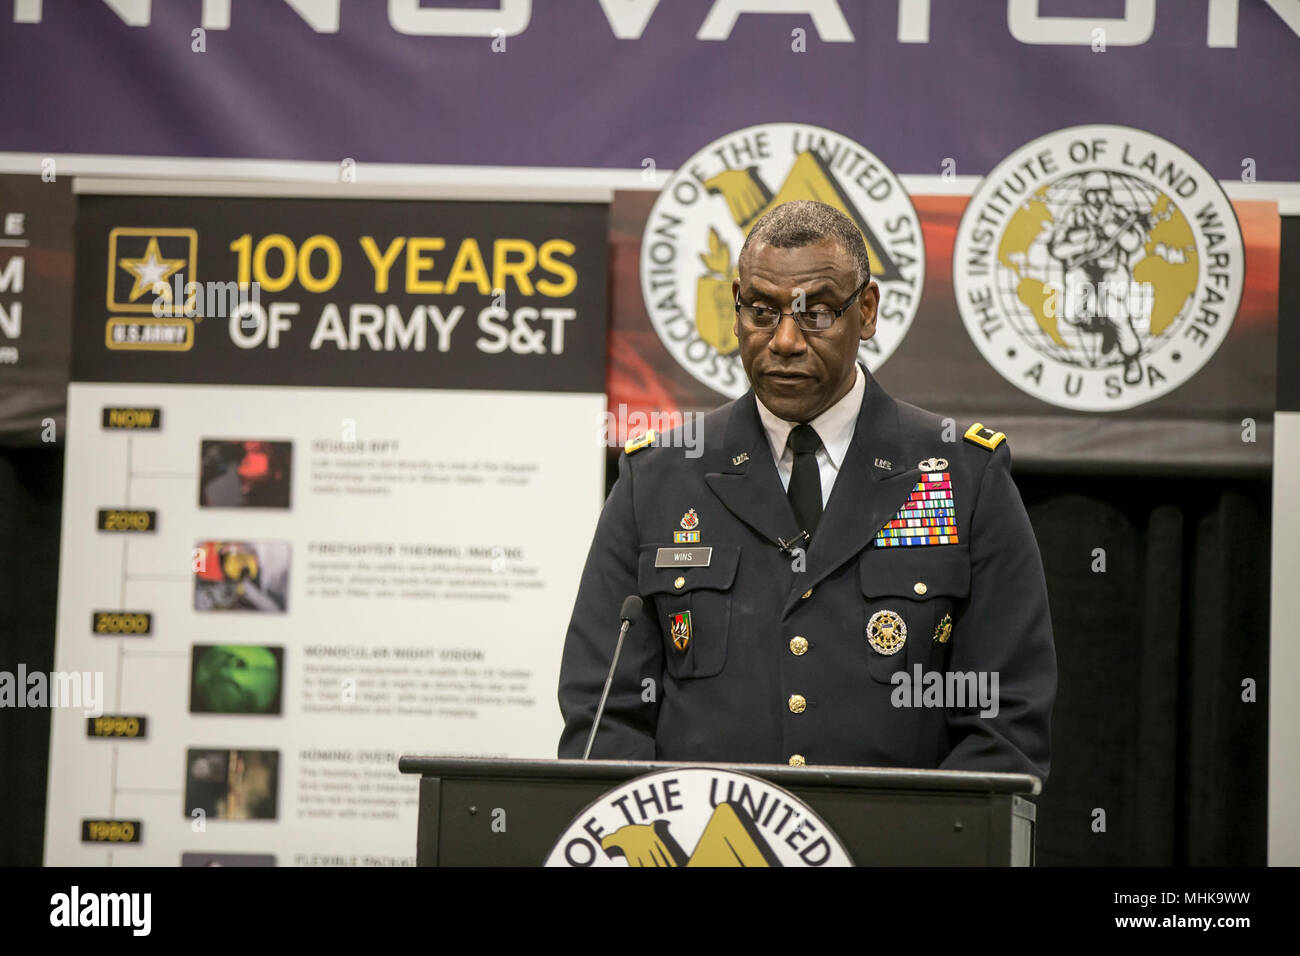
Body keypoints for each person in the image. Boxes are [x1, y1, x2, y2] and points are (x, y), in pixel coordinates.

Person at [557, 200, 1056, 781]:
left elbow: (1006, 723)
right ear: (737, 307)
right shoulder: (659, 478)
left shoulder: (963, 474)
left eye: (816, 312)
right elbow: (602, 718)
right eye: (762, 311)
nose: (785, 340)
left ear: (865, 312)